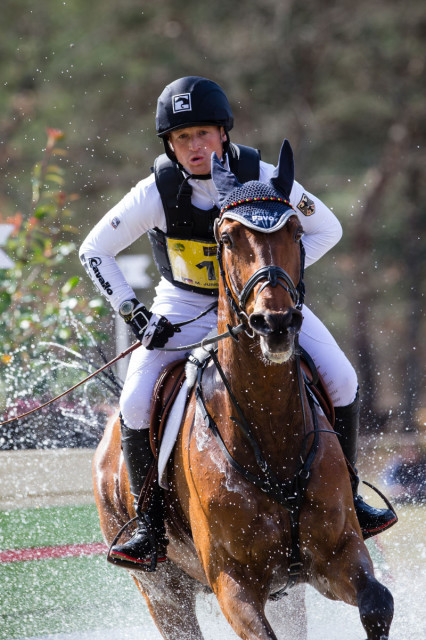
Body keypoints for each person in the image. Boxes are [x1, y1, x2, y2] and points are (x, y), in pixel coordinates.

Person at [79, 76, 397, 570]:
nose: (194, 146)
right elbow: (94, 250)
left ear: (223, 133)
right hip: (183, 305)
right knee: (136, 399)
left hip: (260, 305)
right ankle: (148, 523)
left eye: (203, 133)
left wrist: (276, 278)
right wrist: (134, 312)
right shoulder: (157, 190)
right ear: (169, 144)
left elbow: (327, 227)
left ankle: (350, 499)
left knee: (342, 377)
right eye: (182, 138)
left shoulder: (263, 176)